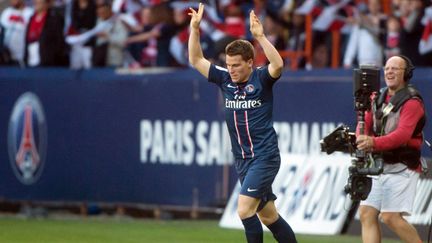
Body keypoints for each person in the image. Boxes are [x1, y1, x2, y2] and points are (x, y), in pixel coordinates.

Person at [188, 3, 297, 243]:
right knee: (269, 217)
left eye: (236, 64)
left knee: (244, 209)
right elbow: (196, 59)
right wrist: (194, 30)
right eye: (228, 64)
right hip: (242, 159)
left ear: (250, 62)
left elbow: (278, 65)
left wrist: (260, 36)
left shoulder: (261, 78)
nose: (231, 69)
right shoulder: (225, 79)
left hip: (264, 157)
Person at [356, 55, 425, 243]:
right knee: (366, 213)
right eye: (387, 68)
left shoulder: (412, 102)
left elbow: (402, 135)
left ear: (406, 74)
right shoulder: (377, 97)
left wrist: (372, 143)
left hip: (403, 165)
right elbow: (365, 123)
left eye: (395, 68)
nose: (389, 72)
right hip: (379, 164)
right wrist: (361, 139)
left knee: (390, 217)